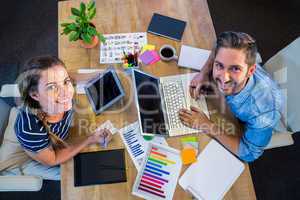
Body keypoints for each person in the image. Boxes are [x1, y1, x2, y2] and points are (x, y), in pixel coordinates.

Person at [179, 31, 283, 162]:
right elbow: (217, 46)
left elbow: (249, 153)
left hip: (252, 121)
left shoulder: (263, 112)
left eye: (235, 69)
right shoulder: (232, 51)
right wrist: (204, 73)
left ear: (250, 71)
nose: (224, 78)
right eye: (219, 65)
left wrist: (206, 124)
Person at [12, 55, 112, 180]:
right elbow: (53, 159)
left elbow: (71, 76)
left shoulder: (58, 99)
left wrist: (106, 74)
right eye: (51, 87)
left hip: (64, 136)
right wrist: (90, 139)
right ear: (35, 95)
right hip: (49, 152)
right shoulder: (30, 129)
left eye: (65, 82)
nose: (66, 92)